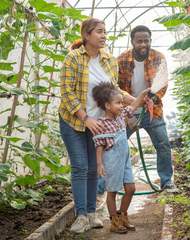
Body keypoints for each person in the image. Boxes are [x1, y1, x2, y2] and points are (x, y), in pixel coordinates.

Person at [59, 18, 134, 234]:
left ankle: (92, 214)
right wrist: (85, 118)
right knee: (81, 167)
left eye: (104, 32)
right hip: (74, 121)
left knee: (94, 170)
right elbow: (66, 92)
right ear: (86, 35)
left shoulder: (110, 60)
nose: (103, 36)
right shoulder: (73, 58)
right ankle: (81, 215)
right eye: (99, 32)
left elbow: (115, 91)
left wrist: (137, 99)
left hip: (98, 125)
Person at [117, 25, 177, 192]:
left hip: (152, 111)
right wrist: (129, 115)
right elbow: (116, 90)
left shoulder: (158, 57)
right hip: (128, 111)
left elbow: (163, 84)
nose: (143, 44)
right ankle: (111, 184)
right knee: (116, 144)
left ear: (150, 41)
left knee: (163, 144)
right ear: (132, 42)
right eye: (139, 41)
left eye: (146, 41)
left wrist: (154, 97)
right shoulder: (121, 60)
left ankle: (166, 181)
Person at [93, 82, 150, 234]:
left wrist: (143, 94)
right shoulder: (101, 123)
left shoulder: (121, 117)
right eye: (118, 103)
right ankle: (114, 221)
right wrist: (99, 164)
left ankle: (123, 215)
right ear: (107, 105)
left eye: (121, 102)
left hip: (124, 160)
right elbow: (99, 146)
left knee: (131, 189)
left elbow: (134, 106)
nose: (121, 105)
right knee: (112, 192)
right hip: (111, 162)